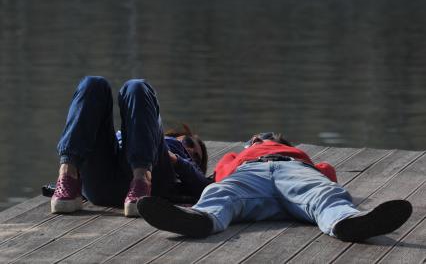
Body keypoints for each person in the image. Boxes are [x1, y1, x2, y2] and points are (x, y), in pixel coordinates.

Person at [138, 132, 413, 242]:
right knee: (218, 192)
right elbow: (327, 172)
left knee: (325, 193)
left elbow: (223, 171)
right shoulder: (288, 153)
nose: (260, 138)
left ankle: (347, 223)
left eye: (264, 137)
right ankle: (200, 220)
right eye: (258, 137)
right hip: (263, 172)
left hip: (285, 170)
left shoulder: (287, 151)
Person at [51, 76, 212, 217]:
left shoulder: (178, 159)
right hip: (102, 184)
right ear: (175, 135)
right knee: (93, 84)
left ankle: (142, 179)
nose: (191, 150)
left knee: (137, 87)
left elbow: (205, 187)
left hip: (151, 184)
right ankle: (67, 175)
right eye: (189, 143)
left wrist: (177, 159)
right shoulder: (159, 135)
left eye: (196, 157)